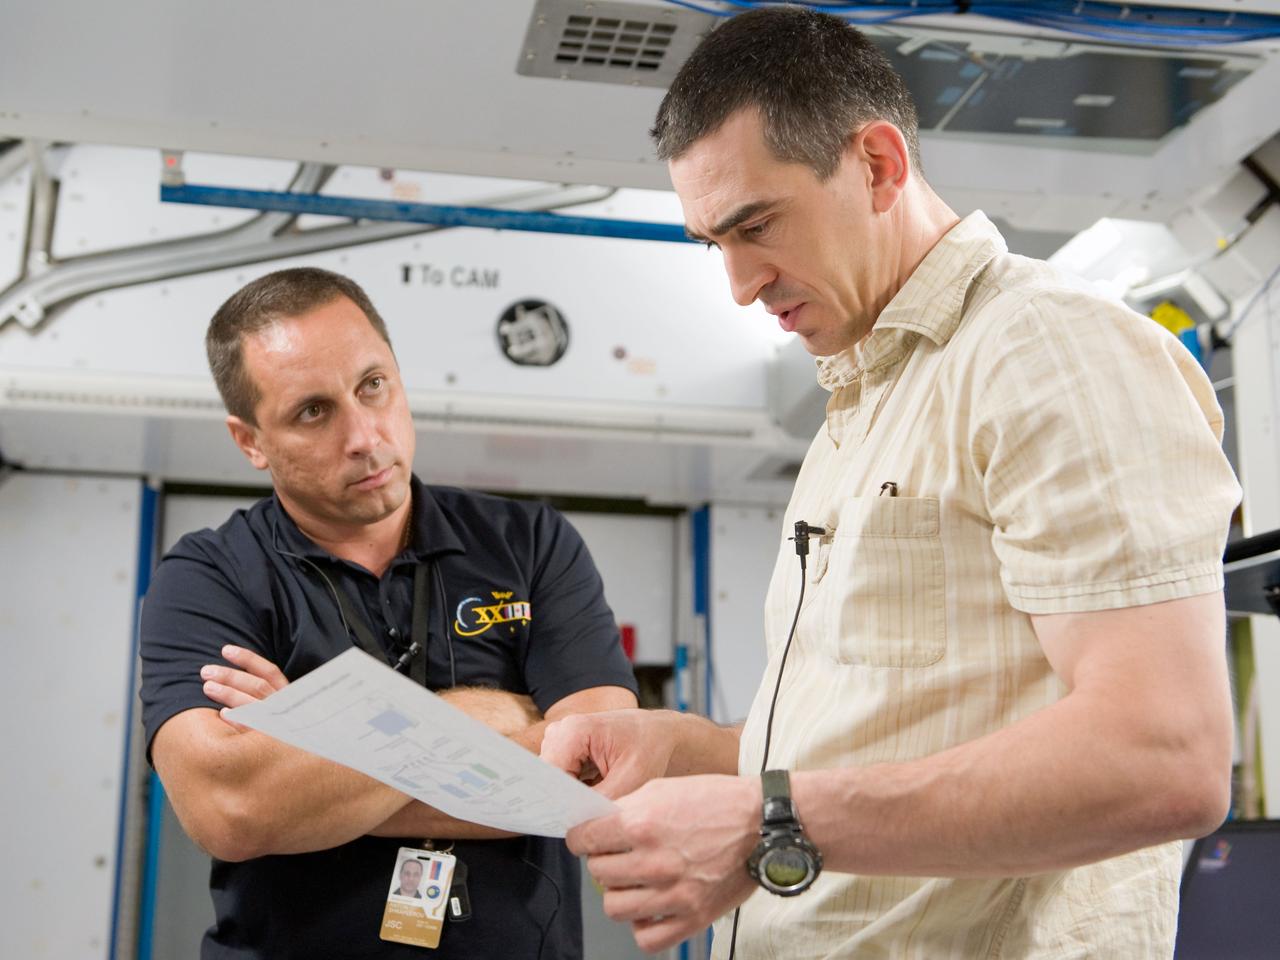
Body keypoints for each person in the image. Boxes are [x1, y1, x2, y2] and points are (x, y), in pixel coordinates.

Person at [539, 8, 1241, 959]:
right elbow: (893, 722)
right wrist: (698, 750)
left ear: (877, 164)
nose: (740, 283)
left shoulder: (1048, 350)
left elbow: (1165, 757)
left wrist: (766, 823)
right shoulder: (869, 397)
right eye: (715, 244)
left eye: (756, 225)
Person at [139, 266, 639, 960]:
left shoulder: (530, 545)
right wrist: (500, 715)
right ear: (250, 440)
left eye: (373, 386)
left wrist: (313, 742)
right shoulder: (208, 576)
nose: (364, 435)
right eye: (313, 411)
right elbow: (232, 809)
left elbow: (600, 766)